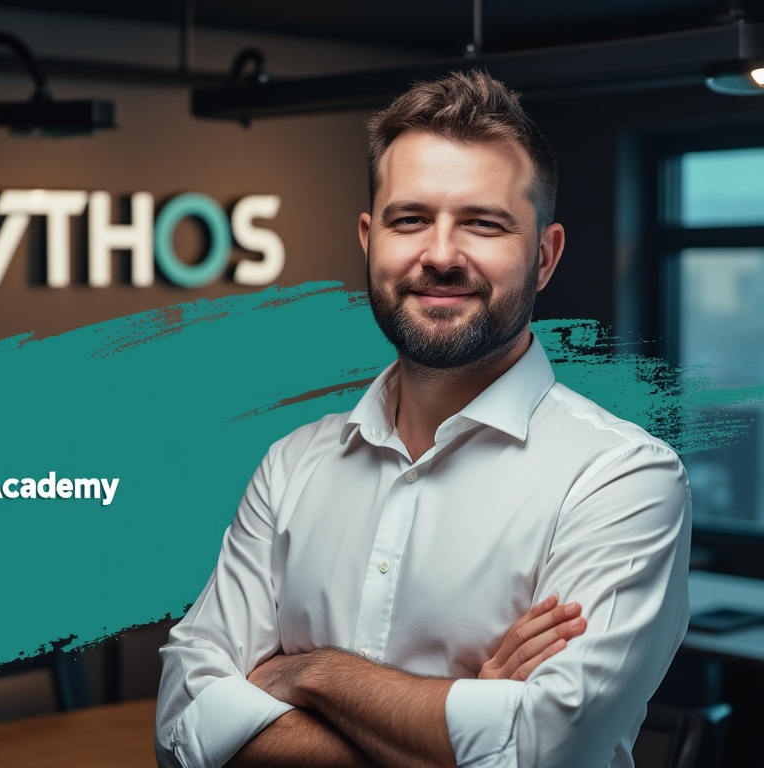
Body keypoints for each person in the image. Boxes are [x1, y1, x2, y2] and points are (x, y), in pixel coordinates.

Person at [155, 69, 691, 768]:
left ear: (545, 257)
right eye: (411, 220)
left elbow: (543, 753)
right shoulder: (292, 466)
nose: (440, 255)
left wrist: (307, 675)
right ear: (369, 239)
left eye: (483, 222)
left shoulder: (621, 479)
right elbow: (181, 726)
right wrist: (458, 717)